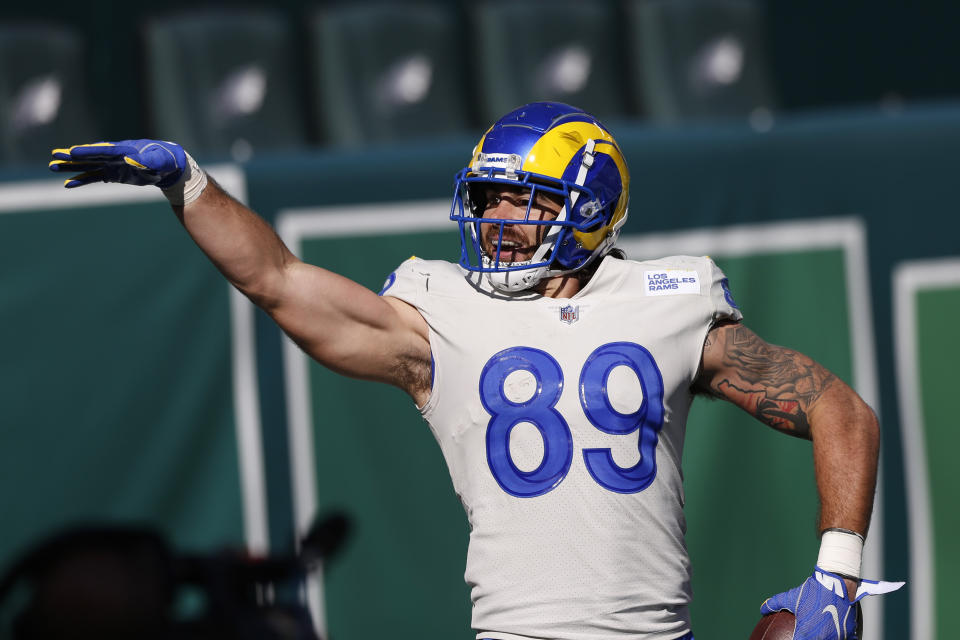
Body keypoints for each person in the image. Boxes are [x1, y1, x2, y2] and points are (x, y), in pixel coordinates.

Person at [49, 102, 900, 640]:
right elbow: (278, 281)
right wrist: (190, 187)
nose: (493, 218)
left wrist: (836, 572)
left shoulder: (668, 299)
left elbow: (839, 409)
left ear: (589, 207)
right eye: (486, 197)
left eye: (517, 198)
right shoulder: (442, 311)